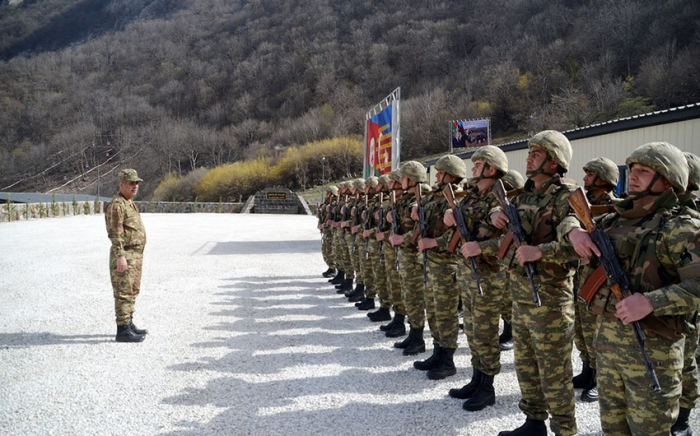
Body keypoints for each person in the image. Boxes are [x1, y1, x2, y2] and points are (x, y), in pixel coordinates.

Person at [569, 142, 700, 436]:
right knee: (613, 428)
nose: (634, 175)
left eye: (644, 170)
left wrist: (652, 302)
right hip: (608, 349)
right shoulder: (615, 217)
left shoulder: (680, 227)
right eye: (633, 169)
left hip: (652, 353)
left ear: (668, 180)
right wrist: (573, 232)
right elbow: (569, 213)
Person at [491, 130, 581, 436]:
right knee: (526, 367)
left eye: (536, 154)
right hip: (522, 297)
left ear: (554, 163)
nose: (528, 158)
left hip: (551, 302)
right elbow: (502, 211)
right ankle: (533, 423)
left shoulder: (567, 197)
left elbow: (576, 250)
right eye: (529, 152)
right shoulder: (526, 194)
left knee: (555, 375)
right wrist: (496, 215)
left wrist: (539, 251)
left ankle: (565, 431)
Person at [444, 145, 509, 411]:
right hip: (468, 275)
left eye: (478, 164)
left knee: (485, 331)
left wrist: (482, 247)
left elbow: (510, 239)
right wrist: (449, 214)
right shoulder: (471, 196)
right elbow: (461, 217)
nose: (472, 169)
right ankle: (476, 377)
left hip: (488, 276)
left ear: (490, 168)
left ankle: (487, 386)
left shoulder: (501, 199)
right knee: (471, 329)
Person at [572, 157, 621, 403]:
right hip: (580, 277)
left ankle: (600, 379)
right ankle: (587, 371)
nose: (585, 179)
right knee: (580, 331)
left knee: (595, 333)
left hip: (600, 282)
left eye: (590, 175)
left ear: (603, 179)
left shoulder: (614, 208)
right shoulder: (583, 205)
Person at [413, 155, 466, 380]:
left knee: (446, 313)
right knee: (433, 310)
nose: (437, 175)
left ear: (451, 174)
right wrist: (416, 207)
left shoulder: (460, 197)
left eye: (441, 172)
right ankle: (437, 351)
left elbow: (459, 233)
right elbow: (422, 207)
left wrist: (435, 243)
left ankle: (448, 359)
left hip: (447, 263)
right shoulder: (436, 194)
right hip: (431, 262)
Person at [389, 161, 429, 356]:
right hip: (406, 255)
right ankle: (413, 334)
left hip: (415, 257)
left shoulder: (422, 198)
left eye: (403, 177)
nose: (400, 181)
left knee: (415, 297)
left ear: (412, 179)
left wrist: (401, 238)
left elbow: (421, 229)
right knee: (408, 295)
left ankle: (418, 338)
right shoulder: (407, 198)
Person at [105, 169, 148, 343]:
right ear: (121, 184)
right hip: (126, 254)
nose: (135, 186)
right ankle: (122, 329)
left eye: (136, 183)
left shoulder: (129, 203)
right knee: (123, 292)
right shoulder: (117, 205)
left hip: (135, 255)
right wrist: (120, 255)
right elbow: (115, 233)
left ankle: (129, 323)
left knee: (131, 291)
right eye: (131, 183)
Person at [319, 185, 338, 278]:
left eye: (328, 192)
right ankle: (331, 267)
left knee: (331, 250)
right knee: (325, 250)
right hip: (326, 230)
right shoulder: (327, 203)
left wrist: (324, 225)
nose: (326, 194)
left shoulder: (335, 203)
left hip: (331, 230)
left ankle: (333, 268)